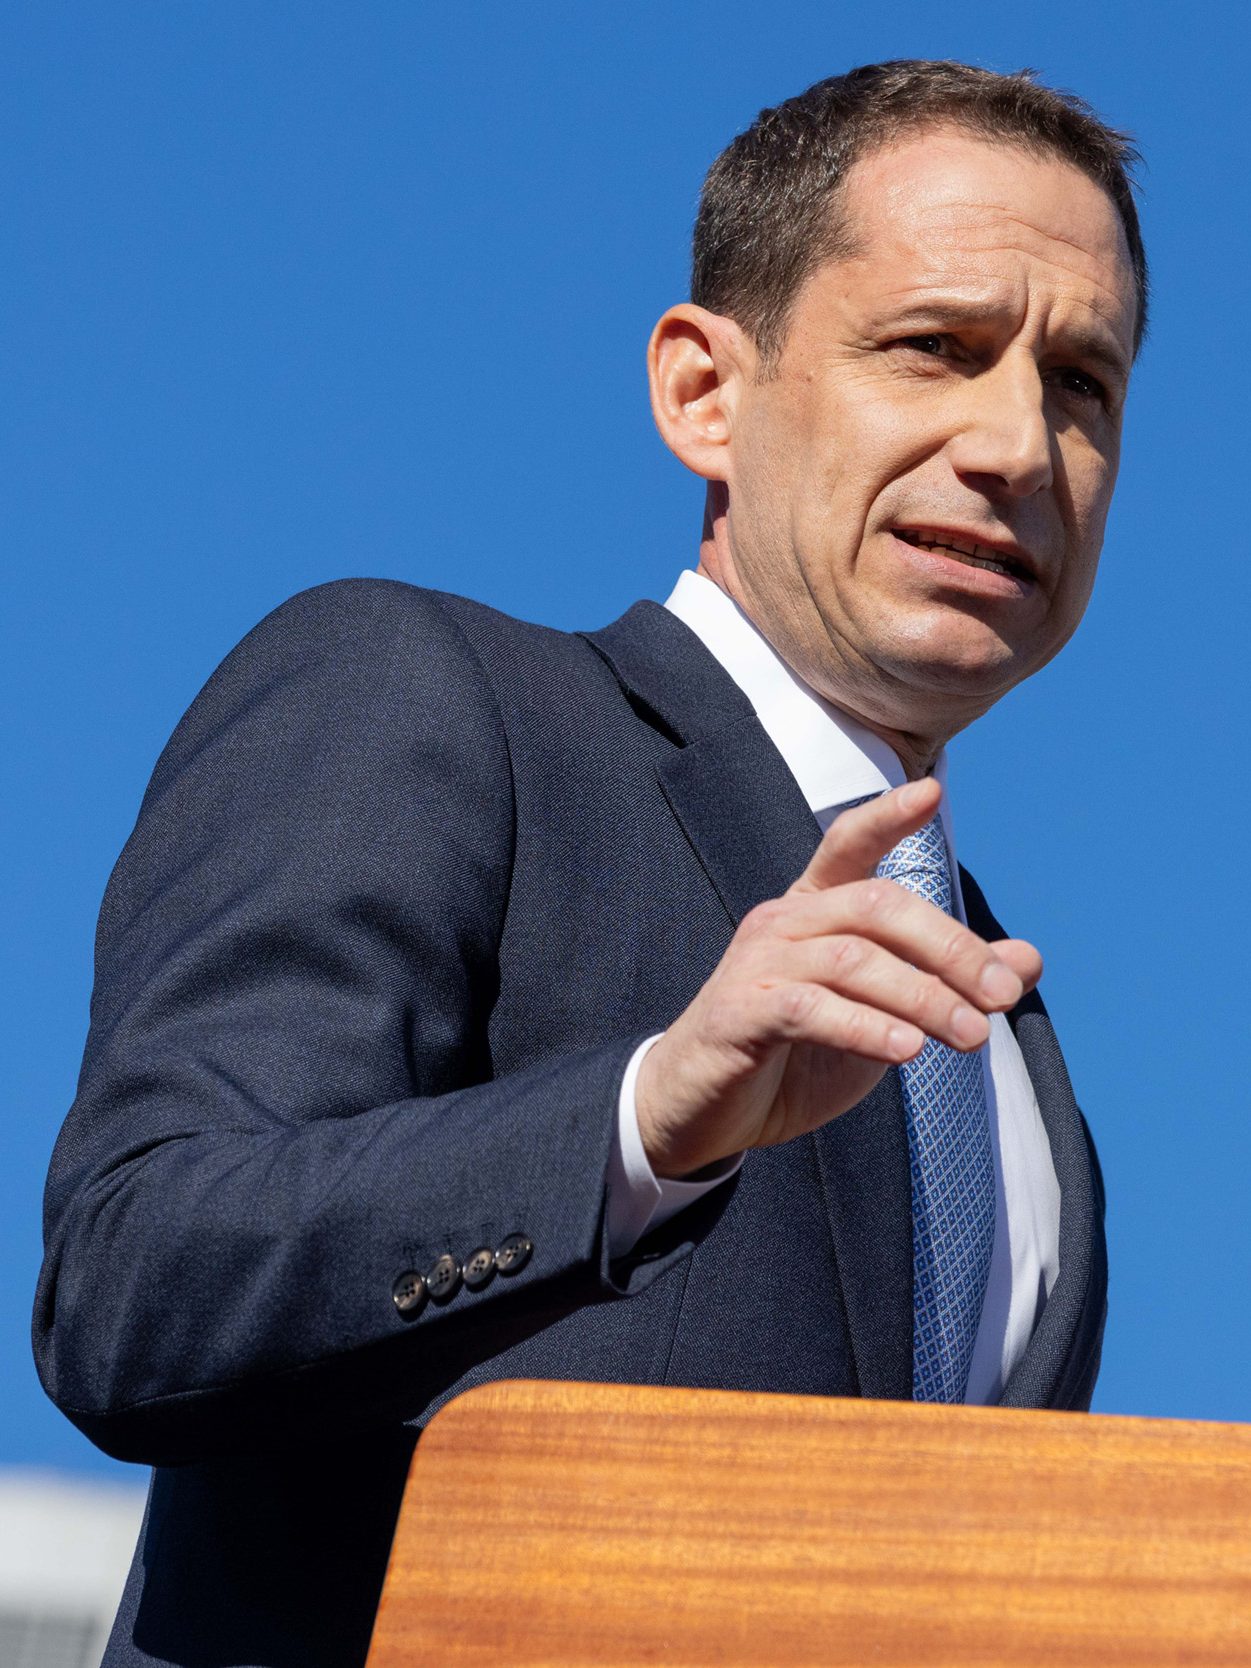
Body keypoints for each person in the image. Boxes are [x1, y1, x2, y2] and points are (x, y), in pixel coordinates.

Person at [34, 59, 1140, 1668]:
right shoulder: (428, 697)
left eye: (1084, 384)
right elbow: (139, 1283)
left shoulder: (1014, 1057)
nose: (1017, 444)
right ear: (706, 392)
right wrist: (641, 1124)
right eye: (936, 350)